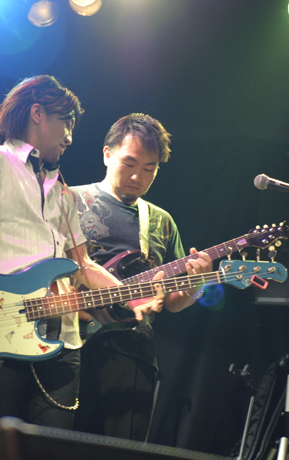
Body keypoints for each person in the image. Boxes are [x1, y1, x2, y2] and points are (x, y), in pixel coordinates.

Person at [0, 76, 164, 455]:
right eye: (66, 122)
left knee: (51, 451)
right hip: (2, 333)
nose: (70, 136)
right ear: (37, 113)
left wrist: (132, 296)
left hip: (63, 342)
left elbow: (83, 266)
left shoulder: (60, 192)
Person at [71, 113, 213, 441]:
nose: (138, 176)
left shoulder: (161, 222)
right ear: (107, 154)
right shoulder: (70, 201)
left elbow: (172, 302)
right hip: (67, 345)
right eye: (129, 163)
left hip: (132, 353)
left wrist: (197, 284)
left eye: (150, 168)